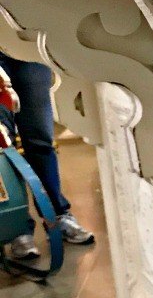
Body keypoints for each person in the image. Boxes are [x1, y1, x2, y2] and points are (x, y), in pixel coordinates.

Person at [0, 52, 94, 258]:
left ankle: (58, 216)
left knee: (40, 139)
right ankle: (18, 227)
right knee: (4, 147)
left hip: (26, 48)